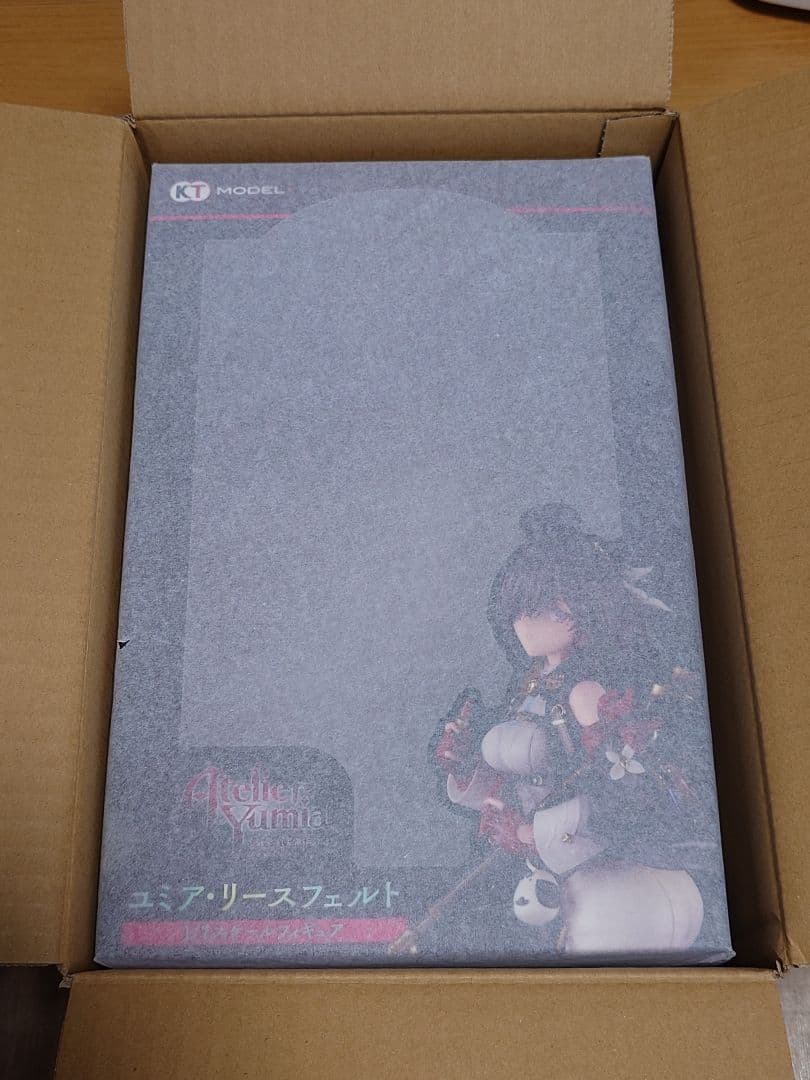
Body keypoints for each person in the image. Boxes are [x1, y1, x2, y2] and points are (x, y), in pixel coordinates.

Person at [433, 504, 717, 957]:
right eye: (520, 608)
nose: (526, 622)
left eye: (547, 608)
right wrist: (467, 771)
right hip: (566, 879)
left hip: (623, 889)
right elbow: (522, 776)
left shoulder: (585, 692)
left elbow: (623, 795)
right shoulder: (532, 685)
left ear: (590, 608)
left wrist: (531, 834)